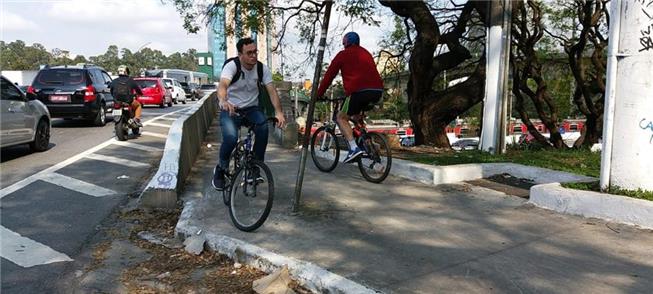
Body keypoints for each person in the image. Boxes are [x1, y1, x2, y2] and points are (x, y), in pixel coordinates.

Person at [212, 37, 286, 191]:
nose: (253, 56)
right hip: (231, 108)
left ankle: (254, 168)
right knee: (231, 138)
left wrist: (279, 112)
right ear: (240, 55)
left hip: (252, 109)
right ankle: (221, 168)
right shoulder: (232, 66)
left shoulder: (261, 69)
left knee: (263, 128)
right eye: (249, 53)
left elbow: (271, 91)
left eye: (255, 52)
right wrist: (224, 101)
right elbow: (223, 85)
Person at [317, 31, 384, 163]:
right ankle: (370, 145)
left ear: (345, 42)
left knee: (341, 117)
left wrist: (319, 94)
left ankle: (353, 148)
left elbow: (329, 76)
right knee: (355, 117)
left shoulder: (343, 55)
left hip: (359, 92)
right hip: (377, 92)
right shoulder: (366, 53)